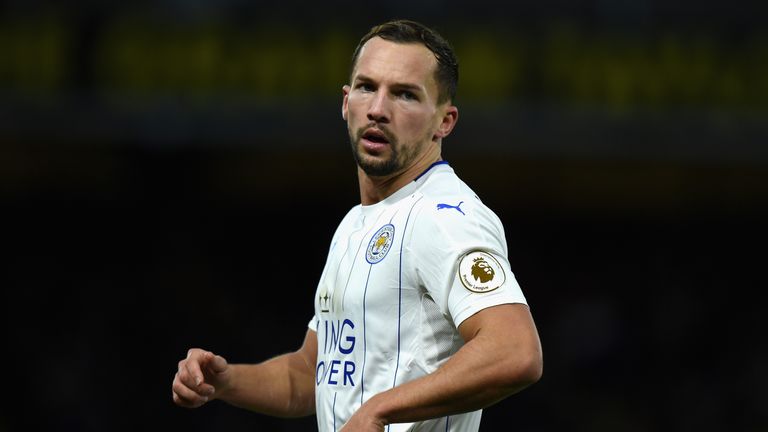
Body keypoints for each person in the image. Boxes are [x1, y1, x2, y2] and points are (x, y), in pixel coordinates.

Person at [172, 19, 543, 431]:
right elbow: (308, 375)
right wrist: (227, 382)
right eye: (367, 87)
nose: (379, 109)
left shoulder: (444, 215)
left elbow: (515, 351)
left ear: (445, 121)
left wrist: (379, 409)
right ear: (346, 103)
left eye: (405, 94)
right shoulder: (354, 225)